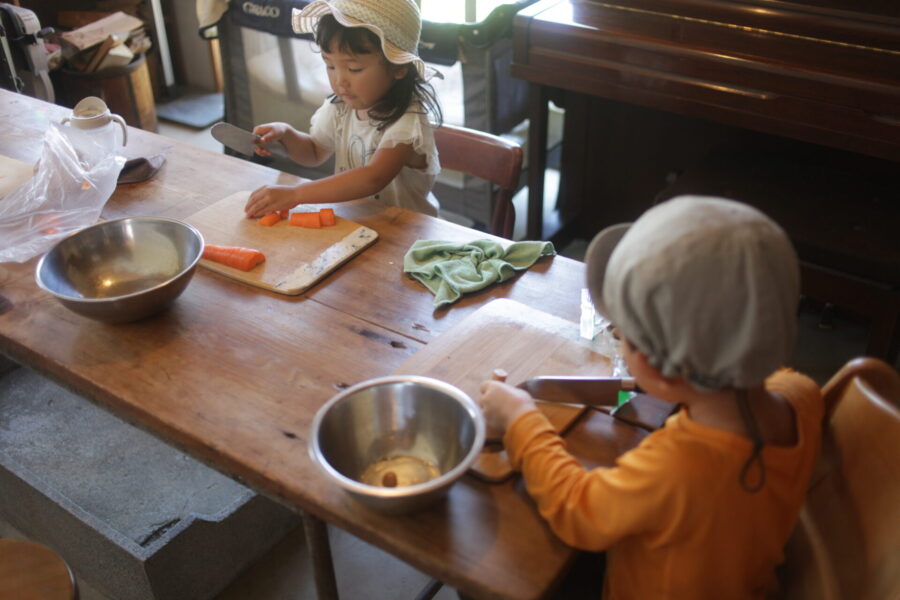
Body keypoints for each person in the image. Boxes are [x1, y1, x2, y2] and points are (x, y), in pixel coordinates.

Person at [478, 196, 824, 599]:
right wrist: (681, 379)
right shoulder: (801, 394)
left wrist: (521, 419)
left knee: (498, 569)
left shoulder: (680, 467)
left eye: (620, 335)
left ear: (658, 369)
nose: (618, 341)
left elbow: (579, 510)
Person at [243, 0, 443, 219]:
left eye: (354, 68)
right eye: (330, 65)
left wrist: (296, 194)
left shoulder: (408, 121)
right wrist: (286, 134)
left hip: (408, 233)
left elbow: (372, 178)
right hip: (357, 222)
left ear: (399, 67)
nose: (339, 81)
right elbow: (314, 152)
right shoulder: (341, 107)